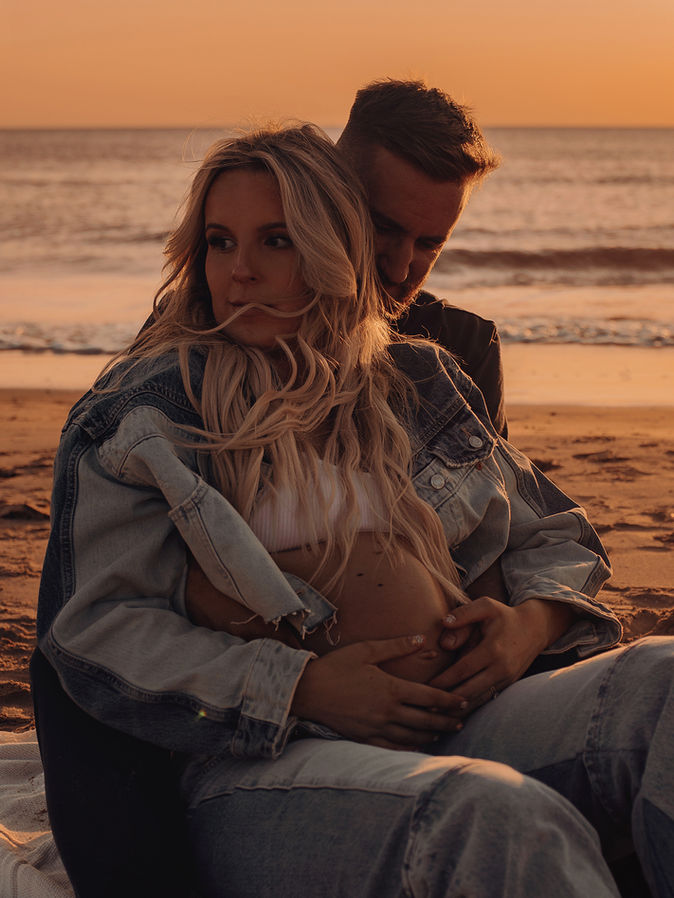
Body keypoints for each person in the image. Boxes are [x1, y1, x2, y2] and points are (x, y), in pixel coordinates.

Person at [32, 123, 673, 898]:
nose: (240, 273)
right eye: (219, 241)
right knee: (492, 814)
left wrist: (526, 628)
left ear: (332, 247)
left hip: (466, 715)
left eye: (276, 241)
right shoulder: (147, 413)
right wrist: (301, 687)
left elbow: (555, 533)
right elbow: (100, 630)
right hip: (263, 763)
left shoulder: (417, 379)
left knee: (664, 682)